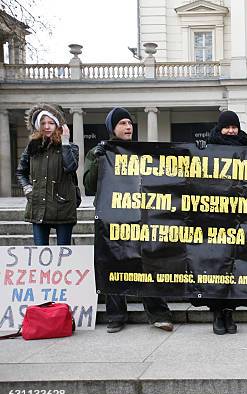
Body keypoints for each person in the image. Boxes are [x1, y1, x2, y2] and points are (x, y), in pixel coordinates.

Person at [84, 107, 174, 334]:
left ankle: (158, 314)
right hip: (109, 219)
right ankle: (116, 316)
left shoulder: (139, 151)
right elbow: (89, 186)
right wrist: (97, 160)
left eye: (130, 123)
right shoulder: (98, 151)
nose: (128, 127)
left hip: (137, 217)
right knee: (112, 264)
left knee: (145, 265)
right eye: (122, 123)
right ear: (112, 127)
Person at [190, 110, 247, 335]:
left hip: (239, 218)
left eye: (234, 127)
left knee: (235, 267)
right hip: (214, 219)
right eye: (227, 127)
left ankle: (229, 312)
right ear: (219, 128)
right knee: (215, 265)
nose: (230, 131)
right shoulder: (207, 148)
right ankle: (217, 313)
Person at [16, 104, 79, 245]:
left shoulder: (70, 147)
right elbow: (21, 171)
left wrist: (65, 142)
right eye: (43, 123)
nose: (47, 126)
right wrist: (27, 188)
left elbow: (71, 167)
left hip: (63, 207)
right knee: (40, 255)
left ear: (57, 124)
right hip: (38, 206)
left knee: (64, 254)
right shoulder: (32, 146)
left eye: (51, 123)